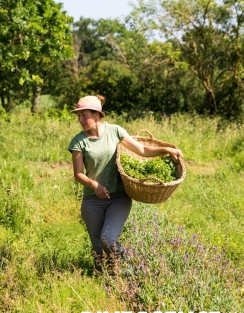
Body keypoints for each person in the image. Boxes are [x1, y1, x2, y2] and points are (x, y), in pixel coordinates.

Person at [68, 95, 183, 271]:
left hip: (118, 198)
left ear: (97, 115)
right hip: (92, 201)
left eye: (84, 115)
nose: (80, 120)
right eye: (79, 116)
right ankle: (107, 284)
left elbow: (142, 149)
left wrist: (166, 149)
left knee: (108, 239)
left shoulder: (115, 131)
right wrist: (95, 186)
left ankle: (129, 269)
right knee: (99, 251)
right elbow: (78, 174)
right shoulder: (78, 141)